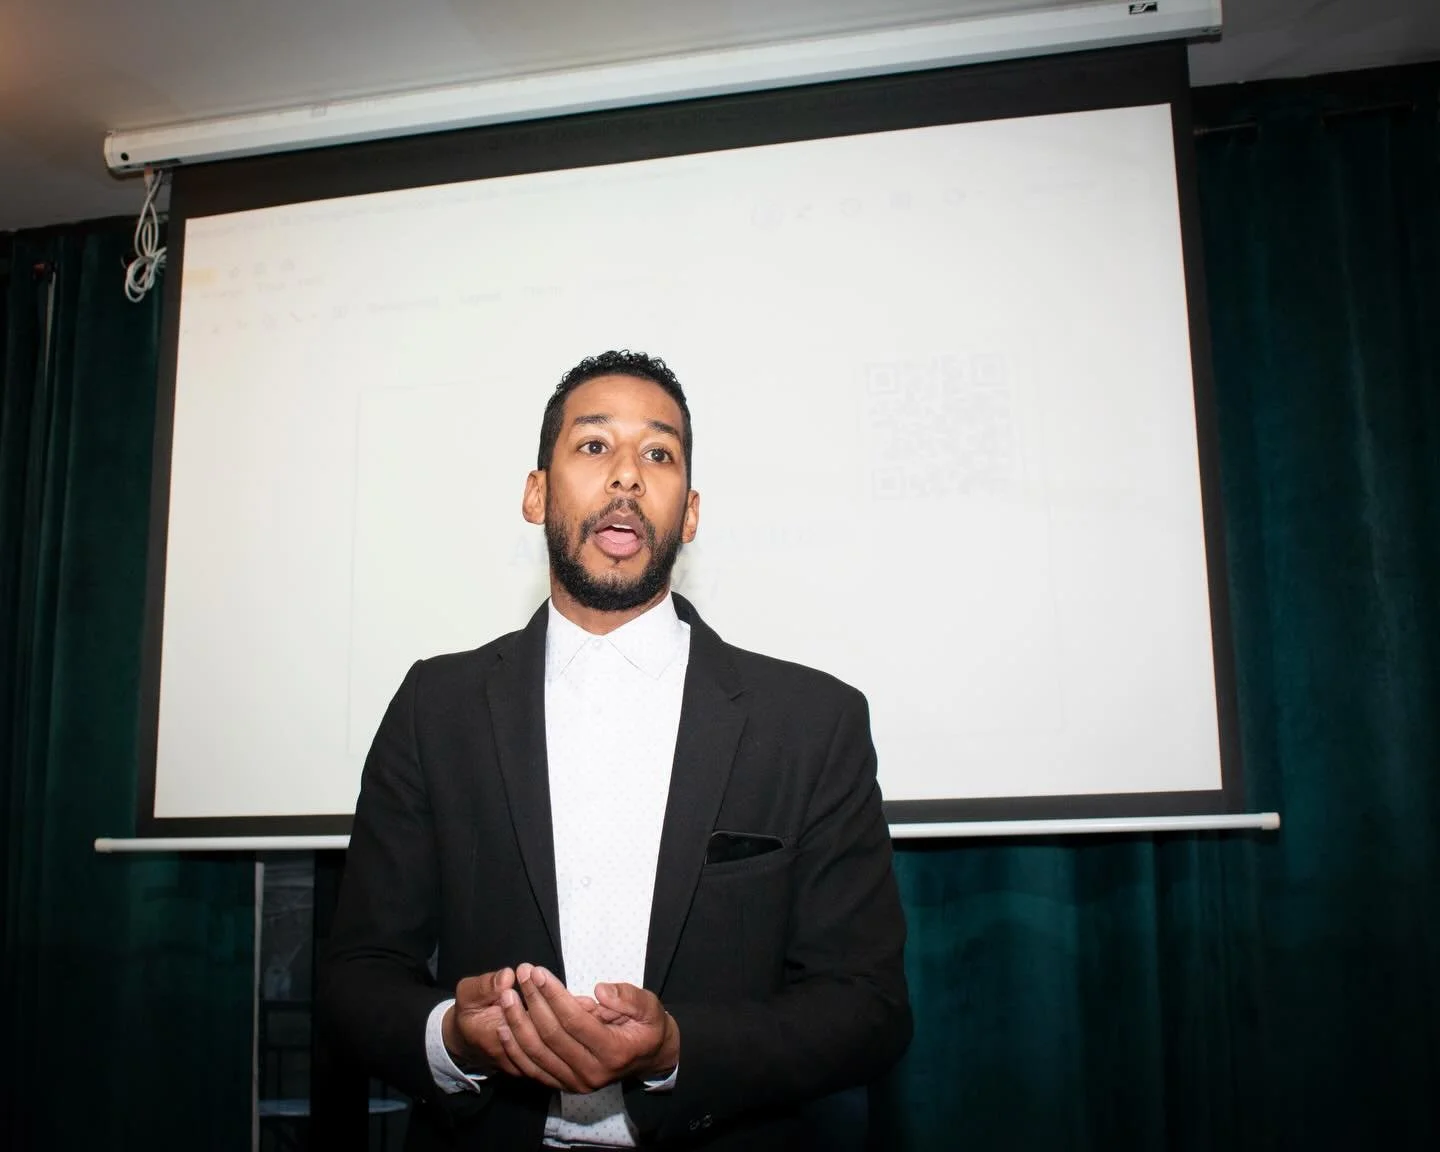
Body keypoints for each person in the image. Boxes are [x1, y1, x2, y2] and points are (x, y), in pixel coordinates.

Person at [319, 350, 912, 1151]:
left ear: (690, 512)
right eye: (594, 446)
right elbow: (357, 976)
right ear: (537, 493)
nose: (627, 476)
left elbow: (868, 1008)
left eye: (658, 454)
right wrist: (453, 1038)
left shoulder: (812, 722)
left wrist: (676, 1049)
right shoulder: (436, 707)